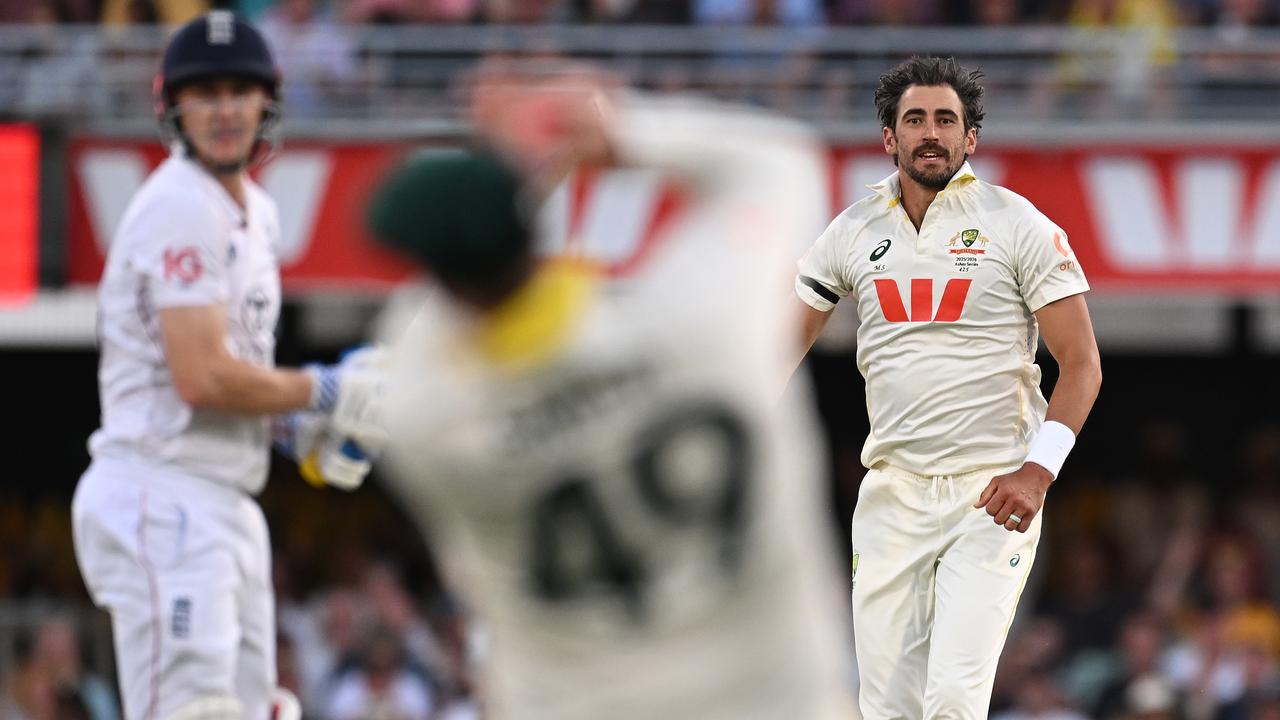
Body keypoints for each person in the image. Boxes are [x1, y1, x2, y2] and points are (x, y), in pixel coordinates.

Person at [362, 69, 856, 719]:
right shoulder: (705, 325)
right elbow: (777, 163)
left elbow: (405, 349)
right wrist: (612, 126)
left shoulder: (436, 428)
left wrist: (523, 173)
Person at [70, 11, 374, 720]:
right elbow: (202, 377)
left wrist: (292, 428)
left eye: (240, 91)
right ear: (172, 106)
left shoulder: (256, 214)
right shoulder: (180, 206)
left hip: (223, 500)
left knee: (254, 710)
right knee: (196, 712)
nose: (225, 110)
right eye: (205, 94)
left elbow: (229, 375)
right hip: (161, 493)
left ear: (268, 101)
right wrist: (328, 391)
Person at [790, 56, 1103, 719]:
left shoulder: (1017, 223)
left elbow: (1081, 363)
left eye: (945, 120)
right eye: (914, 119)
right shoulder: (852, 230)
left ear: (970, 138)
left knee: (955, 698)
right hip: (892, 494)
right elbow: (776, 350)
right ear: (889, 136)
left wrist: (1037, 473)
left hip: (991, 494)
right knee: (886, 707)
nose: (930, 133)